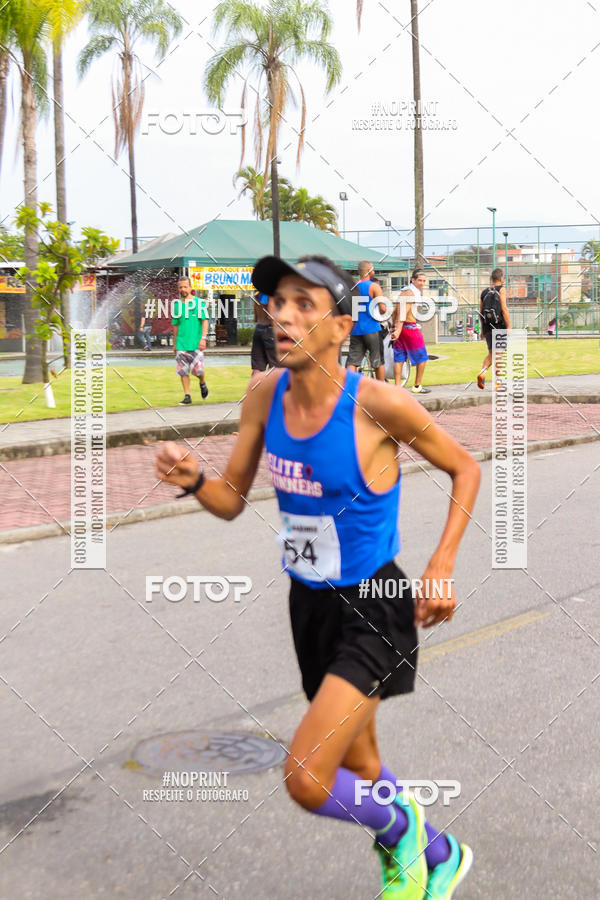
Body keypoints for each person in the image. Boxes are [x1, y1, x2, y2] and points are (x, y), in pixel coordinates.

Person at [156, 253, 480, 899]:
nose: (283, 315)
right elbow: (230, 500)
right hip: (309, 606)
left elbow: (465, 468)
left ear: (340, 326)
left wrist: (441, 564)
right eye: (278, 301)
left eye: (305, 303)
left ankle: (405, 827)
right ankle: (441, 855)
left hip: (376, 606)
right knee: (361, 763)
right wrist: (192, 479)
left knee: (307, 777)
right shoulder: (263, 396)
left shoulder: (378, 404)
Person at [391, 270, 431, 393]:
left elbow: (395, 311)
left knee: (399, 358)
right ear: (413, 280)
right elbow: (403, 312)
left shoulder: (403, 292)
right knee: (422, 357)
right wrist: (398, 329)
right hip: (409, 328)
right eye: (420, 280)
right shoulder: (411, 293)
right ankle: (417, 386)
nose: (422, 283)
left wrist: (394, 326)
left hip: (400, 328)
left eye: (424, 281)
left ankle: (397, 387)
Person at [171, 275, 209, 405]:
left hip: (196, 343)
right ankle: (187, 396)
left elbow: (205, 321)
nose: (183, 289)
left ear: (190, 287)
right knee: (183, 371)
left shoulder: (199, 303)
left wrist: (203, 338)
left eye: (185, 287)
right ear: (178, 288)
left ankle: (202, 382)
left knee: (198, 371)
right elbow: (175, 325)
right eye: (180, 287)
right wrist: (175, 344)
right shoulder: (176, 305)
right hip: (181, 343)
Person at [347, 260, 387, 380]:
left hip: (356, 329)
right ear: (369, 270)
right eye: (373, 269)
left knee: (352, 361)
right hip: (372, 328)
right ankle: (380, 388)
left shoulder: (352, 287)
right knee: (377, 361)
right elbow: (383, 309)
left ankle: (349, 387)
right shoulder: (374, 286)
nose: (374, 271)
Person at [476, 268, 511, 390]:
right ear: (501, 278)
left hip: (488, 326)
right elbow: (504, 309)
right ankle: (498, 383)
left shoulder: (484, 292)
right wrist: (509, 326)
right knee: (499, 354)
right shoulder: (502, 289)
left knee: (492, 353)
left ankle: (482, 372)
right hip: (499, 326)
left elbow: (481, 312)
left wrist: (482, 330)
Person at [251, 291, 278, 374]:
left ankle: (256, 383)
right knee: (274, 367)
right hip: (270, 329)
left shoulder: (258, 295)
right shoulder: (271, 293)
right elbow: (271, 315)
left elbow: (255, 316)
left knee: (257, 368)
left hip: (258, 328)